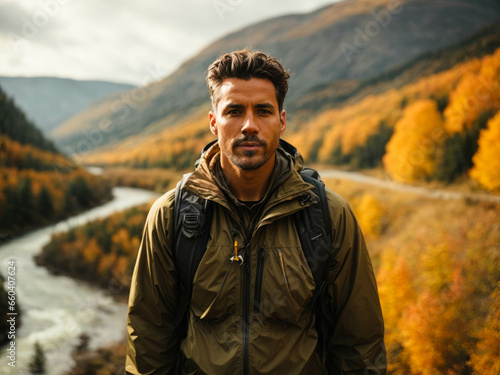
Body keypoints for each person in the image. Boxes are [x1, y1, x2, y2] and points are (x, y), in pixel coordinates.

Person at [125, 49, 386, 375]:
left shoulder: (328, 216)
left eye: (263, 111)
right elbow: (149, 338)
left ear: (282, 120)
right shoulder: (171, 215)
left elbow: (359, 343)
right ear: (213, 122)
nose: (249, 125)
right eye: (234, 111)